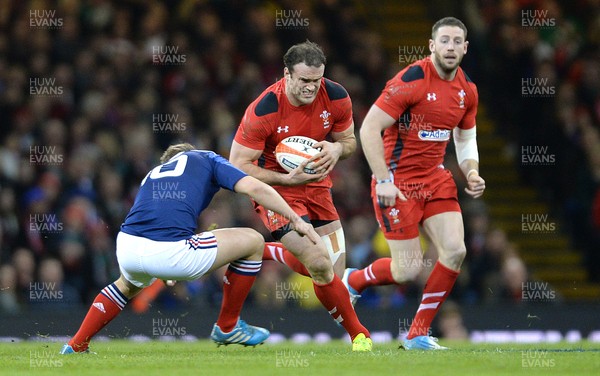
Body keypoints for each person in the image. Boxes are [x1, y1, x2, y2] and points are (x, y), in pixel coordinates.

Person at [60, 143, 321, 354]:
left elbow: (159, 221)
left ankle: (76, 344)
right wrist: (295, 218)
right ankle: (228, 326)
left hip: (128, 246)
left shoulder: (152, 176)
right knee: (252, 240)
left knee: (126, 286)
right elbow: (253, 187)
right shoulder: (205, 159)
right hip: (168, 251)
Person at [342, 17, 486, 350]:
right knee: (407, 269)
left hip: (435, 179)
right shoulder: (412, 80)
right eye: (444, 41)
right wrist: (383, 179)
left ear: (465, 48)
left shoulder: (467, 91)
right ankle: (354, 279)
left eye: (456, 42)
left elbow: (465, 138)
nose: (450, 47)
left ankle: (417, 333)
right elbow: (368, 129)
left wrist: (472, 170)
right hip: (398, 181)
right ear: (432, 45)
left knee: (455, 251)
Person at [229, 40, 372, 351]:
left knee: (333, 279)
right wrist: (284, 178)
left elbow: (348, 142)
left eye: (316, 80)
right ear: (286, 74)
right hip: (277, 191)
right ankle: (361, 337)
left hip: (318, 186)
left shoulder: (335, 96)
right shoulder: (264, 108)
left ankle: (271, 250)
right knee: (319, 263)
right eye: (304, 80)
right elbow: (238, 165)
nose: (311, 88)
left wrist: (336, 148)